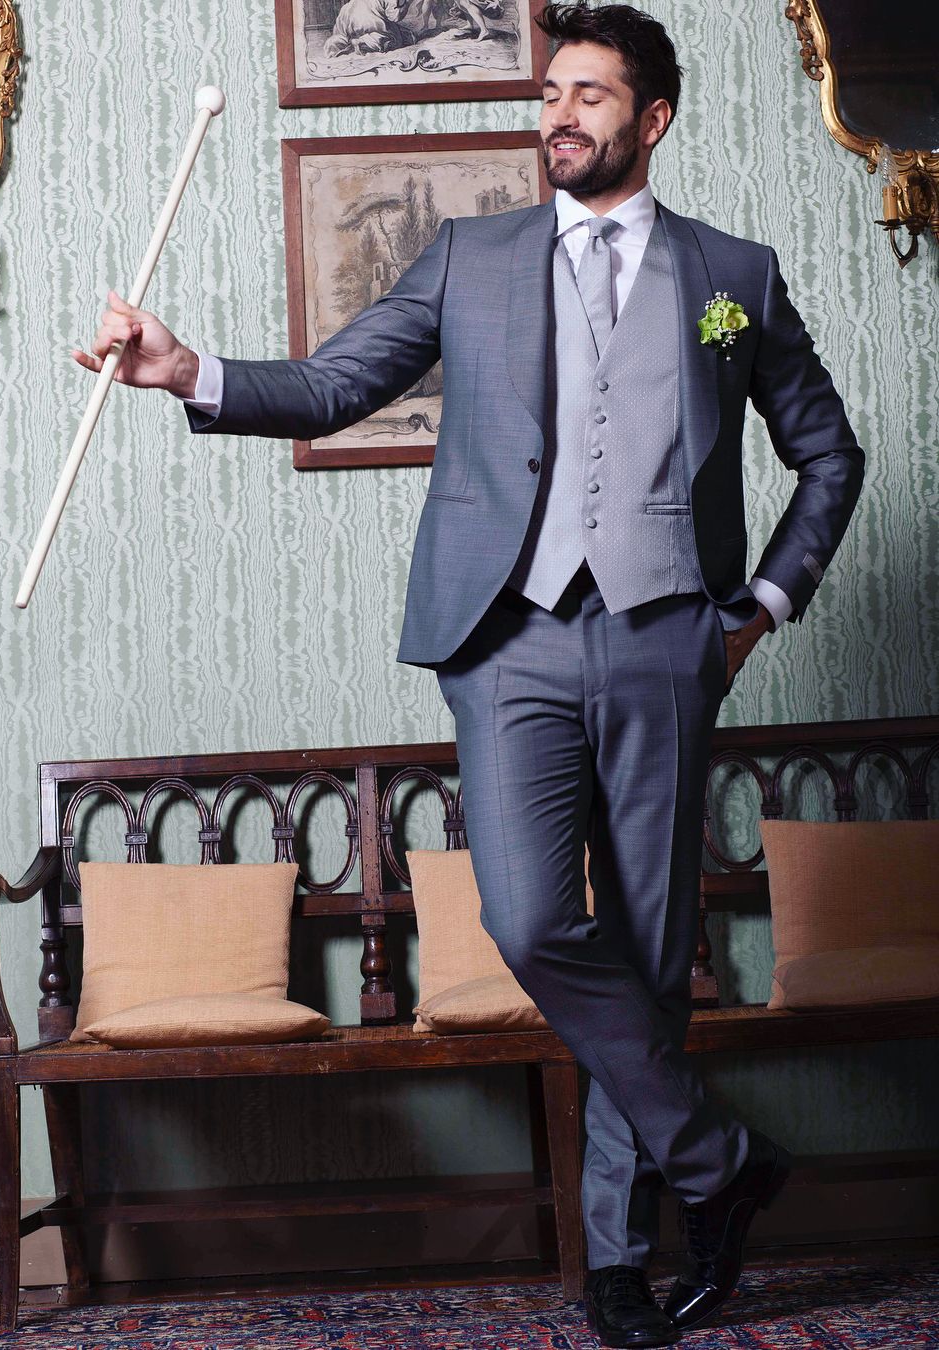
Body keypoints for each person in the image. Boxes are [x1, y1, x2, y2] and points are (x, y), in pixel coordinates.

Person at [73, 4, 864, 1344]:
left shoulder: (733, 274)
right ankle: (722, 1161)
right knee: (534, 919)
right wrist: (185, 370)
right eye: (549, 91)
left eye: (590, 94)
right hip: (509, 640)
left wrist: (760, 607)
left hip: (669, 641)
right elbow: (333, 387)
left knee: (649, 956)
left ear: (653, 119)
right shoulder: (471, 257)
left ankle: (618, 1258)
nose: (558, 113)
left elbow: (829, 454)